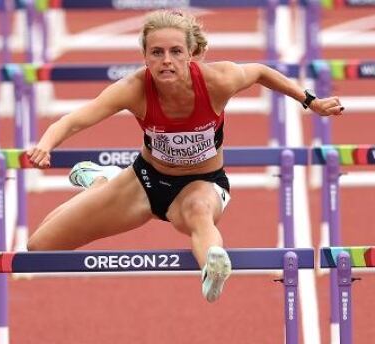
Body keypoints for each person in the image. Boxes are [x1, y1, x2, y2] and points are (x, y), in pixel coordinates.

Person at [26, 9, 344, 302]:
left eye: (176, 52)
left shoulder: (217, 80)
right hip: (144, 181)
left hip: (202, 183)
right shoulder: (133, 88)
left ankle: (214, 265)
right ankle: (101, 181)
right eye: (157, 53)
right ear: (145, 57)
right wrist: (46, 142)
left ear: (191, 54)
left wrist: (310, 101)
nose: (166, 61)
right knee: (39, 248)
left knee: (197, 212)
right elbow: (77, 118)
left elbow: (260, 72)